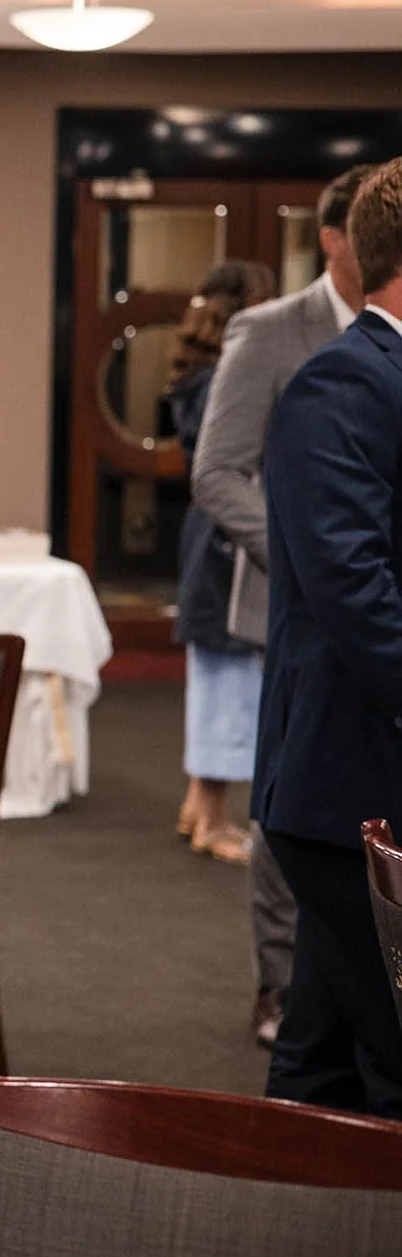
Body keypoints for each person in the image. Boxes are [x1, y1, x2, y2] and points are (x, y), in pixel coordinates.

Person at [191, 163, 375, 1048]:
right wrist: (299, 549)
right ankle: (278, 979)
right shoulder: (270, 331)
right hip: (285, 597)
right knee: (290, 796)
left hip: (363, 607)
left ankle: (323, 1002)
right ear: (334, 240)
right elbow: (217, 471)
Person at [253, 154, 402, 1118]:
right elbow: (356, 592)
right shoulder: (339, 387)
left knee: (324, 1051)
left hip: (362, 784)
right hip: (352, 785)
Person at [165, 261, 276, 868]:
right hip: (226, 546)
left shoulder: (196, 377)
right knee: (228, 686)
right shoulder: (224, 381)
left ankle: (194, 806)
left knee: (215, 678)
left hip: (208, 540)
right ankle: (212, 819)